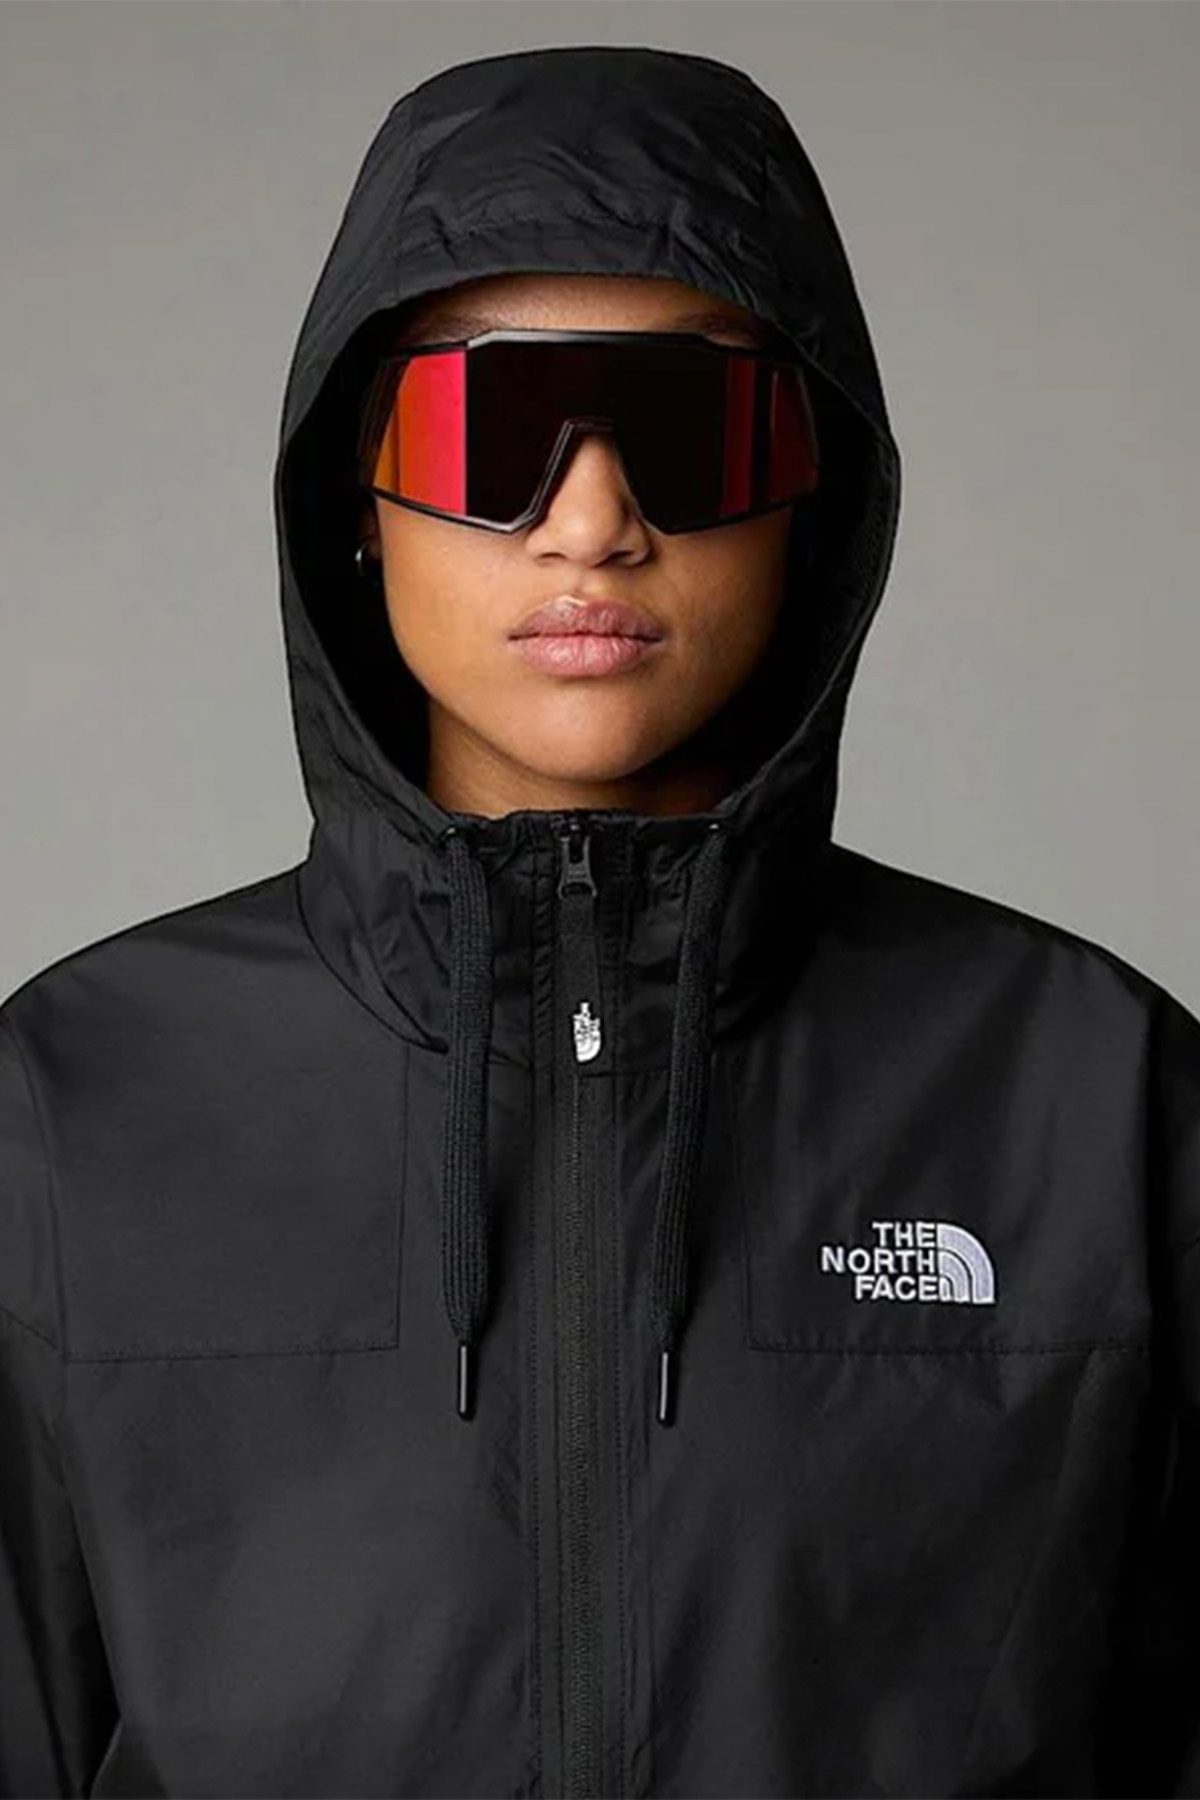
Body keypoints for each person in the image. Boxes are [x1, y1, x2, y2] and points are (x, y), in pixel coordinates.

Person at [0, 39, 1197, 1800]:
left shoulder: (1090, 1096)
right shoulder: (72, 1107)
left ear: (814, 489)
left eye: (690, 431)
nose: (591, 520)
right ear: (357, 492)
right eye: (491, 426)